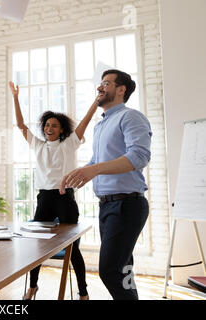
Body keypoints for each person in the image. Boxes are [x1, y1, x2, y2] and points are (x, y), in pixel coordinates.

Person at [59, 69, 152, 300]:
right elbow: (97, 162)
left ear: (121, 90)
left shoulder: (130, 117)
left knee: (110, 270)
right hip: (109, 206)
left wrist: (95, 169)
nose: (100, 87)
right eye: (100, 83)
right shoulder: (101, 125)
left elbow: (140, 156)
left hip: (127, 205)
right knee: (122, 269)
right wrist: (82, 171)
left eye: (107, 83)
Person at [9, 81, 98, 300]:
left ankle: (83, 291)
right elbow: (20, 125)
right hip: (44, 198)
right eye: (47, 125)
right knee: (36, 246)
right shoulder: (38, 145)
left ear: (62, 130)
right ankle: (33, 287)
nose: (49, 128)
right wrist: (15, 97)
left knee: (72, 248)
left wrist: (96, 102)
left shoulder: (69, 143)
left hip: (64, 197)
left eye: (54, 125)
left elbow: (85, 122)